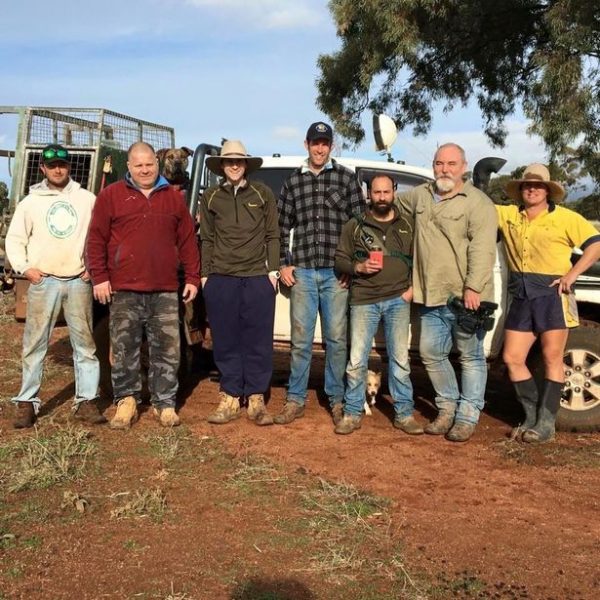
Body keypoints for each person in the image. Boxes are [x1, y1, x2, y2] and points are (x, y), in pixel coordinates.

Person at [85, 142, 200, 429]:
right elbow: (96, 239)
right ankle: (126, 401)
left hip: (164, 288)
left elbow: (187, 240)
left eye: (149, 164)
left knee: (167, 349)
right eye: (139, 165)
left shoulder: (173, 199)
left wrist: (193, 278)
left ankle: (165, 403)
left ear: (156, 163)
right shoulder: (111, 196)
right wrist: (100, 277)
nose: (145, 169)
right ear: (130, 166)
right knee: (124, 348)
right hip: (124, 288)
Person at [396, 143, 498, 442]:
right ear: (433, 166)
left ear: (464, 167)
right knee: (430, 353)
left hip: (466, 296)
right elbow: (388, 205)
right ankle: (446, 408)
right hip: (431, 294)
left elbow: (482, 249)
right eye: (440, 163)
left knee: (471, 357)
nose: (445, 169)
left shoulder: (477, 203)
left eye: (452, 164)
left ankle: (467, 416)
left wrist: (473, 286)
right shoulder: (421, 195)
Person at [498, 164, 600, 443]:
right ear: (520, 190)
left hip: (552, 294)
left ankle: (546, 424)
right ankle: (531, 416)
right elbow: (478, 207)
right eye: (527, 185)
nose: (532, 189)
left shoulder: (566, 218)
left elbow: (595, 244)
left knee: (552, 357)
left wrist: (572, 274)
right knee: (512, 358)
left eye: (538, 185)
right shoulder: (508, 215)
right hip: (521, 294)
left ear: (547, 191)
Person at [275, 121, 366, 425]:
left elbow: (361, 227)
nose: (320, 148)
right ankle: (295, 399)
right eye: (315, 143)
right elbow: (280, 226)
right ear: (306, 144)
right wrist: (284, 263)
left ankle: (336, 399)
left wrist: (352, 266)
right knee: (301, 341)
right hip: (302, 271)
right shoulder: (292, 183)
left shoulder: (346, 179)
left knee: (337, 341)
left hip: (335, 274)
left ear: (331, 146)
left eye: (325, 143)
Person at [6, 144, 103, 428]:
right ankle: (27, 402)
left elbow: (101, 235)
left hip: (78, 281)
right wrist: (26, 268)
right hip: (44, 281)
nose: (58, 169)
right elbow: (15, 239)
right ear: (43, 169)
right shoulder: (31, 202)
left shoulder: (87, 199)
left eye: (62, 164)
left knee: (85, 345)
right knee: (34, 344)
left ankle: (86, 401)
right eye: (52, 166)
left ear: (69, 167)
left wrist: (93, 269)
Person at [199, 140, 280, 426]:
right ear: (221, 165)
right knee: (226, 339)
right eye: (229, 161)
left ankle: (256, 397)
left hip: (257, 276)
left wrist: (273, 273)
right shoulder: (210, 196)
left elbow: (273, 235)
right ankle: (231, 396)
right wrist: (206, 275)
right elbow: (206, 238)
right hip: (222, 277)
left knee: (258, 339)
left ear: (246, 164)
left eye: (239, 161)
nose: (234, 165)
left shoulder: (263, 193)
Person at [334, 174, 420, 435]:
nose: (381, 197)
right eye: (376, 192)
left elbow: (420, 258)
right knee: (357, 359)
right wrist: (357, 266)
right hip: (364, 300)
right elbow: (340, 259)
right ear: (368, 194)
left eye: (386, 192)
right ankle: (351, 413)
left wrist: (413, 288)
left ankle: (404, 414)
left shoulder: (408, 224)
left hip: (398, 299)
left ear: (394, 192)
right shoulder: (355, 225)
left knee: (400, 359)